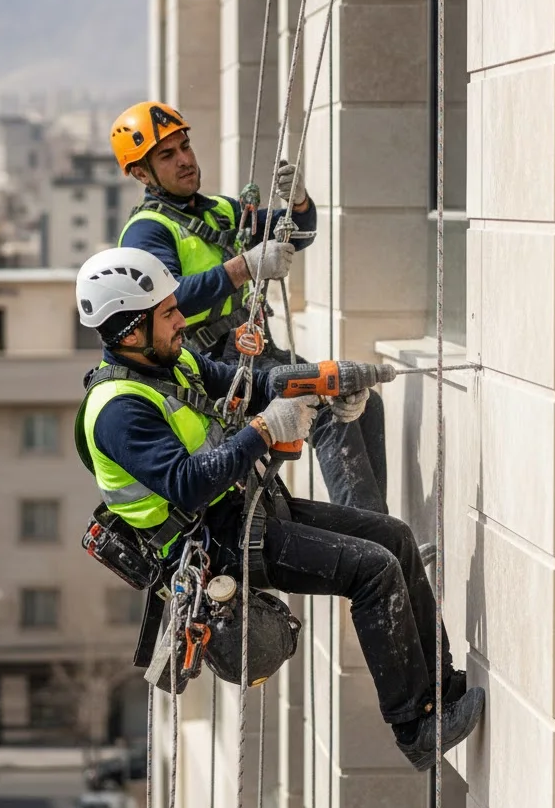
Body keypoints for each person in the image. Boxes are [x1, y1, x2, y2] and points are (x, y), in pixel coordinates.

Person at [73, 247, 485, 770]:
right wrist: (266, 429)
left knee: (394, 538)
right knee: (373, 571)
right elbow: (187, 484)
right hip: (214, 542)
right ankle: (415, 727)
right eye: (168, 314)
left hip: (247, 509)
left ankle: (441, 691)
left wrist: (327, 382)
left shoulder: (174, 362)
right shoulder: (118, 409)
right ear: (130, 332)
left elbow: (251, 384)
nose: (181, 321)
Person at [112, 100, 388, 515]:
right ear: (140, 173)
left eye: (185, 147)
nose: (185, 160)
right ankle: (374, 538)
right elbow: (166, 300)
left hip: (257, 353)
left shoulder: (221, 211)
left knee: (362, 401)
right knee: (328, 407)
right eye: (167, 156)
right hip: (215, 367)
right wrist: (243, 267)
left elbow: (298, 236)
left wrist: (297, 205)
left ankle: (377, 527)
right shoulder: (148, 231)